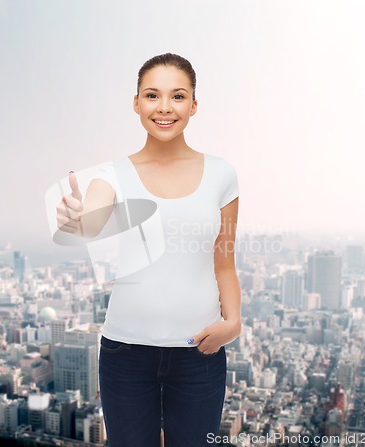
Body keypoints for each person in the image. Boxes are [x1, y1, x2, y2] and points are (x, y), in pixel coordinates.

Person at [56, 53, 241, 447]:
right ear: (136, 103)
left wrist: (234, 322)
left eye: (177, 96)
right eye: (152, 95)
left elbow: (224, 263)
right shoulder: (112, 174)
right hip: (125, 353)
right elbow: (93, 215)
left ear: (194, 105)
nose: (164, 107)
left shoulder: (222, 174)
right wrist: (79, 218)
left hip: (200, 353)